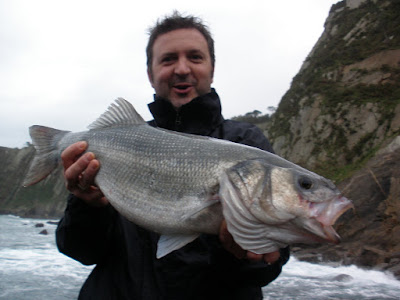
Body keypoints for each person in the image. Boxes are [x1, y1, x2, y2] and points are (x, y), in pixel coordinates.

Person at [56, 11, 289, 300]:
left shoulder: (247, 144)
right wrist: (87, 205)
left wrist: (241, 252)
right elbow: (81, 251)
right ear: (150, 74)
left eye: (195, 57)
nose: (182, 69)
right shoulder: (112, 146)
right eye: (168, 59)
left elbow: (266, 269)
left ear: (211, 68)